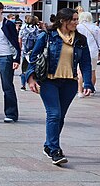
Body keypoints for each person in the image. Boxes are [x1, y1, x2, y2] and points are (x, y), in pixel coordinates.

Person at [26, 8, 94, 166]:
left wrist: (88, 83)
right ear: (64, 21)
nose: (77, 23)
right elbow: (34, 57)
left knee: (60, 116)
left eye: (77, 19)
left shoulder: (80, 39)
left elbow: (85, 62)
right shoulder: (48, 36)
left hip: (69, 83)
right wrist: (30, 78)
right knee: (54, 114)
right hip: (49, 81)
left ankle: (48, 145)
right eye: (74, 20)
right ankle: (55, 150)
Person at [76, 12, 100, 91]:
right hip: (93, 51)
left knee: (80, 71)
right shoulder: (95, 28)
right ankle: (91, 89)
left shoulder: (78, 27)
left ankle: (80, 90)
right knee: (92, 71)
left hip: (81, 50)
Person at [19, 15, 42, 90]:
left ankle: (23, 85)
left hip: (24, 51)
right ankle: (34, 83)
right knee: (34, 68)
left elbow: (19, 39)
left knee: (24, 68)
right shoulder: (36, 29)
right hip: (33, 52)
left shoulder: (23, 28)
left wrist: (20, 49)